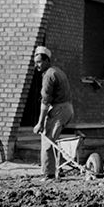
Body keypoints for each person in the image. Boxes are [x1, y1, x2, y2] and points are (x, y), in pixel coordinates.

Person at [32, 45, 74, 181]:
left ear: (47, 60)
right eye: (35, 62)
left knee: (47, 142)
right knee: (53, 141)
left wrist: (39, 123)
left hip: (59, 109)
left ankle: (49, 174)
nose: (36, 66)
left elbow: (45, 102)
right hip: (67, 108)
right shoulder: (57, 71)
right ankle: (58, 167)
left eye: (39, 62)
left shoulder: (49, 75)